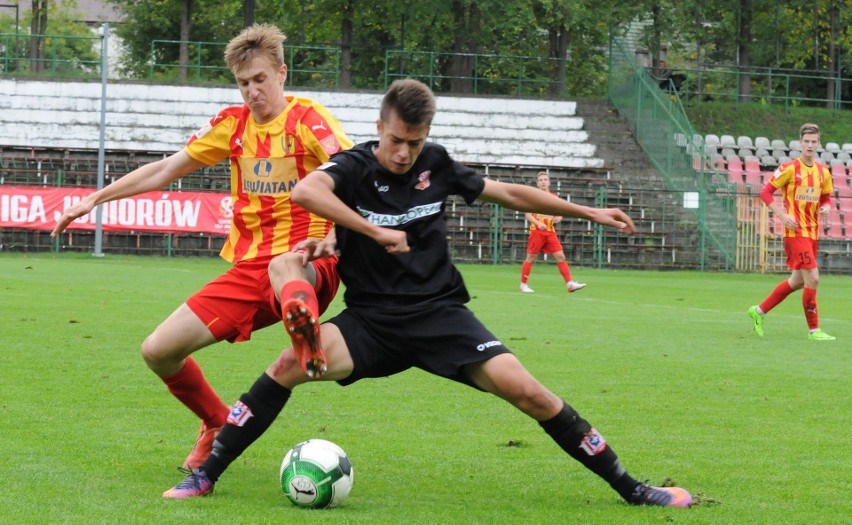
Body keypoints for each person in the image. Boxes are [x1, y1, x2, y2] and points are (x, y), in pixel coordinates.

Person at [162, 78, 693, 509]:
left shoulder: (435, 164)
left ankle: (633, 488)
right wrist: (370, 232)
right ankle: (205, 475)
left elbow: (507, 192)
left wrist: (590, 210)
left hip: (441, 317)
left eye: (414, 142)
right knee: (286, 365)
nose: (403, 152)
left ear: (426, 135)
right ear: (379, 128)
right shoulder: (352, 166)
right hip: (371, 322)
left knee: (531, 393)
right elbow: (306, 190)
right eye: (395, 140)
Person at [50, 23, 353, 470]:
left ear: (282, 73)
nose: (253, 91)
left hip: (308, 260)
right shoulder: (231, 125)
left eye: (261, 80)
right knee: (158, 350)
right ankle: (215, 423)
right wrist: (95, 198)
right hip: (249, 268)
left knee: (288, 267)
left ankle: (305, 339)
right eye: (244, 83)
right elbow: (165, 170)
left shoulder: (308, 119)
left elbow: (352, 169)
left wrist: (337, 238)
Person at [748, 123, 835, 341]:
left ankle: (758, 311)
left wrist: (826, 207)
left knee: (797, 282)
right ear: (800, 143)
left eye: (814, 141)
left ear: (819, 143)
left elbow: (825, 197)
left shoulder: (823, 172)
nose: (810, 145)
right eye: (806, 141)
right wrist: (781, 215)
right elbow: (766, 192)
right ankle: (814, 330)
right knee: (813, 279)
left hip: (813, 233)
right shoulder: (789, 168)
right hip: (795, 233)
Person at [519, 171, 585, 293]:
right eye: (541, 180)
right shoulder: (533, 197)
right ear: (537, 183)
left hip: (550, 232)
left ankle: (570, 284)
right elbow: (528, 214)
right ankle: (523, 285)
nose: (543, 182)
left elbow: (560, 213)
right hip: (537, 232)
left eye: (545, 179)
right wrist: (538, 223)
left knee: (560, 256)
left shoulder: (554, 198)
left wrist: (558, 218)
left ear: (549, 182)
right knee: (531, 257)